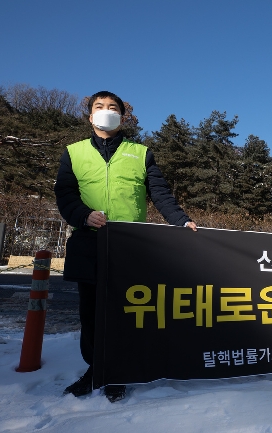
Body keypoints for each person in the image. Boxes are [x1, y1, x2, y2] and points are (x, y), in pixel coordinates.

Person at [55, 91, 197, 402]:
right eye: (99, 107)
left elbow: (160, 194)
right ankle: (95, 368)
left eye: (113, 108)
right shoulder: (73, 153)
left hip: (131, 245)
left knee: (125, 312)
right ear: (90, 116)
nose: (106, 112)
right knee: (91, 312)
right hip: (89, 241)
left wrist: (181, 221)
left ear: (123, 116)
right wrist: (82, 215)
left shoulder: (141, 153)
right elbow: (64, 195)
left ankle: (118, 371)